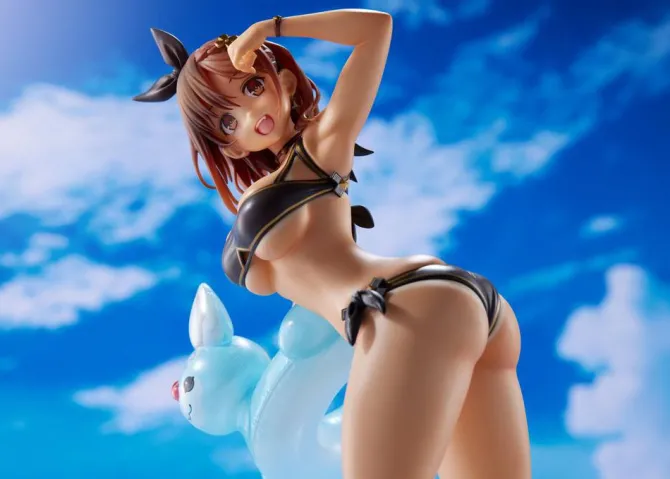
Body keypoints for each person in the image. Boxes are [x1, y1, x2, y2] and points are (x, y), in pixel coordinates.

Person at [135, 8, 531, 479]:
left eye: (253, 87)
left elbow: (375, 30)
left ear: (283, 81)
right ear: (230, 146)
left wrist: (272, 28)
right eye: (226, 120)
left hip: (398, 309)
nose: (251, 113)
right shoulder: (279, 177)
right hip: (444, 309)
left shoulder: (321, 146)